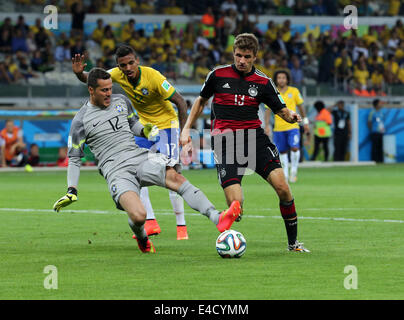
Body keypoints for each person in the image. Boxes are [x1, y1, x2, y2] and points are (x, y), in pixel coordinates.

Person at [52, 68, 241, 253]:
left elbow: (133, 124)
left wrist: (144, 130)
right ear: (91, 90)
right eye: (104, 90)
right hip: (116, 171)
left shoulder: (121, 101)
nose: (109, 93)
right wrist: (71, 190)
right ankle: (142, 238)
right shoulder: (80, 121)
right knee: (138, 216)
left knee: (176, 177)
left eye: (110, 88)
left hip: (139, 156)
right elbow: (74, 158)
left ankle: (217, 217)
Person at [180, 33, 310, 252]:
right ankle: (230, 227)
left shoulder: (263, 82)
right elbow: (200, 102)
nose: (241, 60)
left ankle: (293, 244)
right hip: (226, 142)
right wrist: (186, 129)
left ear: (254, 57)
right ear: (233, 53)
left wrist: (292, 117)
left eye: (246, 57)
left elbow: (281, 110)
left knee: (283, 188)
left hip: (254, 139)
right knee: (236, 208)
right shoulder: (218, 75)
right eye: (238, 55)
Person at [72, 45, 190, 240]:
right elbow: (91, 79)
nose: (127, 68)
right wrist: (78, 74)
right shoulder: (117, 74)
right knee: (134, 173)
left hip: (167, 126)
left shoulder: (154, 77)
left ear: (137, 61)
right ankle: (150, 223)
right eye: (123, 65)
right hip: (143, 128)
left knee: (172, 174)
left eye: (131, 63)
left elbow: (180, 101)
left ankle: (181, 227)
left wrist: (184, 131)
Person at [265, 69, 309, 183]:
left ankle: (294, 170)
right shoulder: (272, 92)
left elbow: (301, 108)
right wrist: (267, 126)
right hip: (278, 128)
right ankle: (285, 173)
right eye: (279, 78)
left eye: (283, 78)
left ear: (287, 79)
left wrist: (306, 122)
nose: (281, 80)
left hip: (293, 126)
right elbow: (267, 111)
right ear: (276, 79)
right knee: (282, 151)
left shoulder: (294, 91)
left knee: (294, 147)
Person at [367, 99, 385, 163]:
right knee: (375, 148)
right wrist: (372, 130)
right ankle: (374, 161)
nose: (381, 104)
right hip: (375, 133)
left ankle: (380, 161)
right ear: (376, 104)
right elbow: (369, 122)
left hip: (381, 132)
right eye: (380, 103)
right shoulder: (372, 112)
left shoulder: (381, 112)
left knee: (380, 147)